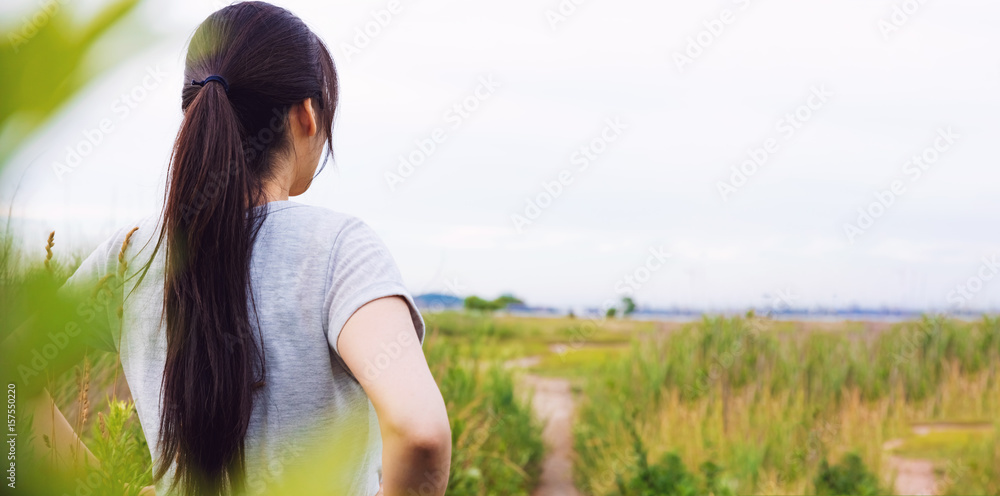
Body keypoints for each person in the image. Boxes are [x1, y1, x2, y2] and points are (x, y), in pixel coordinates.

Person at [19, 2, 451, 495]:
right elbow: (422, 434)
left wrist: (101, 485)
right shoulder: (338, 250)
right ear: (307, 114)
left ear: (193, 112)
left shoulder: (131, 255)